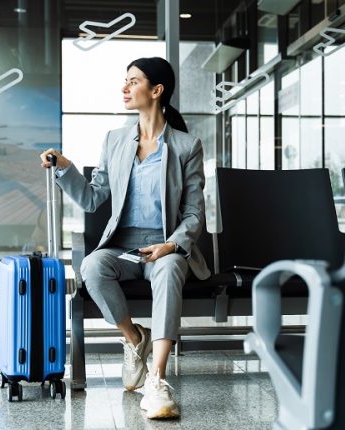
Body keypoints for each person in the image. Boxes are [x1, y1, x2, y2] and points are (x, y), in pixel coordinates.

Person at [40, 57, 210, 419]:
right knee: (92, 266)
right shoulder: (115, 141)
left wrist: (171, 245)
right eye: (126, 81)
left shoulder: (185, 146)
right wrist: (65, 167)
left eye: (133, 82)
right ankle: (135, 339)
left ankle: (158, 379)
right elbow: (92, 197)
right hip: (123, 247)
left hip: (165, 247)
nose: (125, 88)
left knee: (168, 270)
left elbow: (195, 213)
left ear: (156, 91)